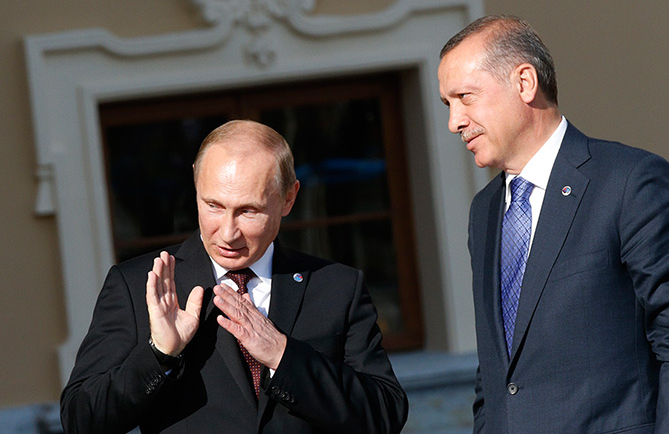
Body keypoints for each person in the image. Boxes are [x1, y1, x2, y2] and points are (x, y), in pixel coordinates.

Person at [438, 15, 669, 434]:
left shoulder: (629, 181)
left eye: (465, 97)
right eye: (448, 105)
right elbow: (498, 371)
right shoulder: (484, 211)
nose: (454, 121)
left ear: (524, 83)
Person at [60, 120, 408, 434]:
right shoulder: (140, 284)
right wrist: (159, 354)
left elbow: (385, 414)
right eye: (213, 205)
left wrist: (284, 357)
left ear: (288, 198)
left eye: (248, 211)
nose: (227, 232)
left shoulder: (336, 287)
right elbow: (82, 419)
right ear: (195, 182)